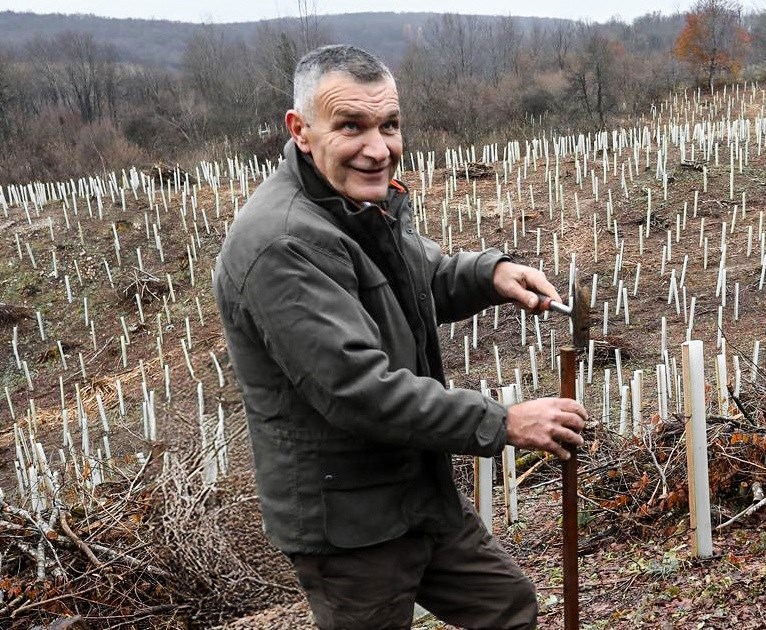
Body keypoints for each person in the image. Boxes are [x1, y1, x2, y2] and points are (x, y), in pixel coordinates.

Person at [213, 44, 587, 630]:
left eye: (389, 125)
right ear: (301, 130)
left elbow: (419, 278)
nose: (378, 148)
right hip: (350, 520)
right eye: (351, 127)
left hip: (414, 488)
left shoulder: (354, 205)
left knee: (505, 607)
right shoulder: (282, 244)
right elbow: (357, 388)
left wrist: (490, 274)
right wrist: (504, 421)